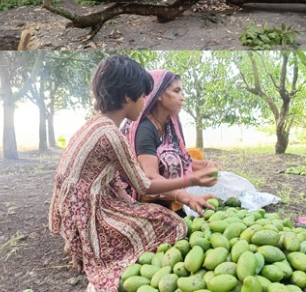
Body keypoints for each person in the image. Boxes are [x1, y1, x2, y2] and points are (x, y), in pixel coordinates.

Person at [49, 56, 218, 292]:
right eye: (143, 96)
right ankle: (93, 249)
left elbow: (110, 175)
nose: (144, 102)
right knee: (168, 222)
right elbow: (144, 184)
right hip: (88, 210)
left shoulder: (94, 124)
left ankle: (83, 245)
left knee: (140, 211)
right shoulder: (111, 135)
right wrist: (191, 182)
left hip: (75, 206)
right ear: (128, 97)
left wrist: (129, 203)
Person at [121, 70, 218, 214]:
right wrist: (185, 195)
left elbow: (179, 159)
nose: (182, 97)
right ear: (159, 94)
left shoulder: (169, 126)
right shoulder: (145, 129)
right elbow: (150, 177)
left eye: (182, 92)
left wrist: (205, 166)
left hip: (168, 197)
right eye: (176, 91)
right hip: (144, 202)